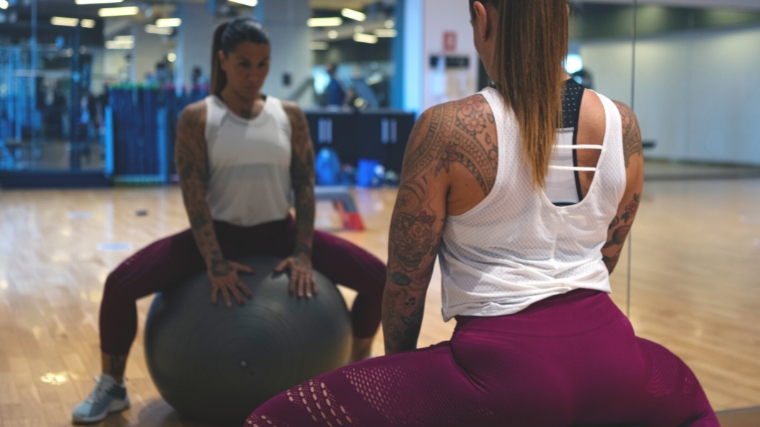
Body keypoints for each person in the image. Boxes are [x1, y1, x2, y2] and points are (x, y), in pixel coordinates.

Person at [247, 1, 719, 426]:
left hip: (505, 374)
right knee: (693, 402)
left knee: (269, 419)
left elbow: (405, 286)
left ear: (483, 16)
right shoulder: (624, 123)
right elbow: (605, 257)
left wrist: (400, 381)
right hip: (612, 356)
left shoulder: (446, 128)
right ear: (564, 16)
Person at [71, 17, 386, 424]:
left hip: (281, 234)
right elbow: (194, 194)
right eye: (243, 64)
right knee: (118, 285)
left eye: (263, 64)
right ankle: (112, 386)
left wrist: (304, 253)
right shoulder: (198, 117)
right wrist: (214, 260)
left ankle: (354, 371)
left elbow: (305, 188)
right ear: (222, 59)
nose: (254, 75)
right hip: (219, 235)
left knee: (381, 279)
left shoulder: (288, 115)